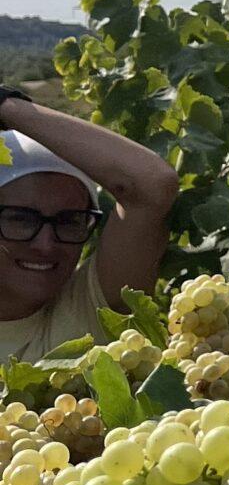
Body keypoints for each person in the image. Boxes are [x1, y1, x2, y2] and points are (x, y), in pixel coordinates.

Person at [0, 85, 180, 363]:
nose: (46, 244)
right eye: (21, 219)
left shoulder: (89, 310)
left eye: (69, 221)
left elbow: (152, 184)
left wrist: (5, 105)